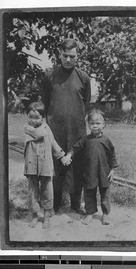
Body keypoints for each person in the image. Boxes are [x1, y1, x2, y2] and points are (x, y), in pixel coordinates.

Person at [42, 38, 91, 214]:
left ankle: (76, 205)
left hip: (77, 130)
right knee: (55, 166)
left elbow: (86, 103)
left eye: (72, 56)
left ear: (77, 55)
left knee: (77, 166)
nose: (68, 59)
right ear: (59, 54)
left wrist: (78, 121)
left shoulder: (83, 77)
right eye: (65, 55)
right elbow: (46, 103)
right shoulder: (50, 76)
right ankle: (54, 205)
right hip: (56, 130)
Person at [64, 109, 118, 225]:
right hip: (90, 172)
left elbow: (112, 155)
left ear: (104, 124)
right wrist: (69, 155)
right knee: (89, 193)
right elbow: (75, 148)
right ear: (88, 124)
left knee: (105, 194)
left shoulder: (106, 140)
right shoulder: (86, 139)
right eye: (92, 123)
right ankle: (89, 213)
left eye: (98, 123)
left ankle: (105, 214)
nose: (95, 126)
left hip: (104, 172)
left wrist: (113, 170)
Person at [24, 102, 69, 229]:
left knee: (47, 191)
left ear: (42, 118)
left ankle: (46, 216)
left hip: (46, 165)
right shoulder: (27, 128)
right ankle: (34, 216)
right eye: (30, 117)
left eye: (37, 117)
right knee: (33, 192)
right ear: (27, 116)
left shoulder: (47, 129)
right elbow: (38, 134)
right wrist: (44, 129)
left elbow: (53, 143)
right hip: (32, 165)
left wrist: (62, 156)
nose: (33, 120)